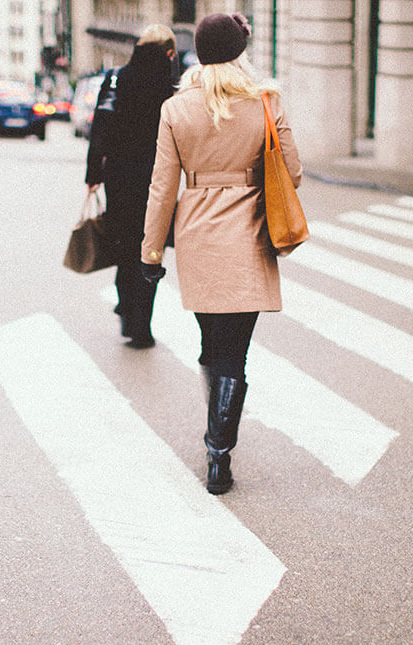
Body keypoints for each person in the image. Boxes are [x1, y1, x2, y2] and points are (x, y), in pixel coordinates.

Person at [139, 13, 301, 495]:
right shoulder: (265, 102)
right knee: (236, 354)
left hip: (198, 239)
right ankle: (219, 452)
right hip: (249, 238)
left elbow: (162, 187)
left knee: (214, 347)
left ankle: (217, 435)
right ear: (239, 51)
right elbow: (292, 171)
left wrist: (151, 253)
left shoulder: (177, 109)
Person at [85, 25, 177, 349]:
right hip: (157, 180)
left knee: (125, 246)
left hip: (120, 177)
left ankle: (127, 309)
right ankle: (142, 325)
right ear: (168, 53)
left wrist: (93, 172)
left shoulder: (115, 78)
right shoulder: (170, 87)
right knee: (151, 250)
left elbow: (101, 125)